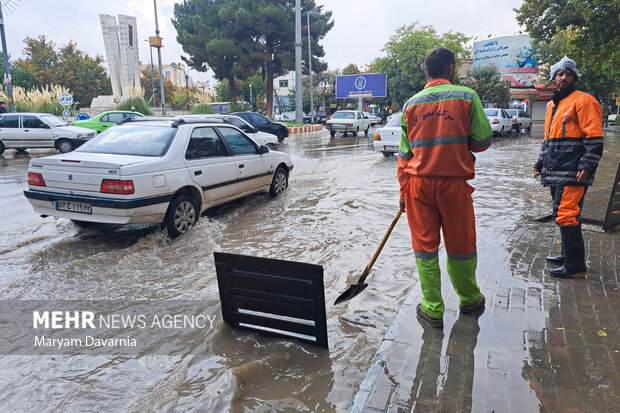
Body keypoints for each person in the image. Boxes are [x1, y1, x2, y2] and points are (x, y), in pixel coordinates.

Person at [397, 48, 492, 328]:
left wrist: (403, 194)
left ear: (427, 72)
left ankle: (432, 310)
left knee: (425, 249)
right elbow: (483, 141)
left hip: (417, 186)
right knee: (461, 247)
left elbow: (404, 158)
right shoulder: (466, 97)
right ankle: (470, 300)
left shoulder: (410, 104)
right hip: (453, 185)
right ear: (451, 69)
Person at [533, 56, 603, 278]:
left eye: (568, 74)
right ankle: (567, 255)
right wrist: (539, 162)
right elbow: (548, 139)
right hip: (555, 169)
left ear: (574, 77)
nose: (564, 78)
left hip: (574, 169)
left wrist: (588, 164)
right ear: (554, 78)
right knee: (560, 213)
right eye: (560, 74)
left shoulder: (584, 100)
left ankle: (575, 266)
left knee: (567, 215)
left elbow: (594, 136)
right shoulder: (553, 104)